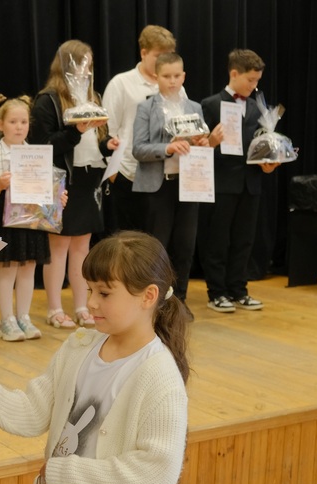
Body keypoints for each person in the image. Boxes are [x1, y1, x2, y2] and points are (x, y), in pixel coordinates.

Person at [0, 231, 188, 484]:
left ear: (148, 296)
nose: (90, 302)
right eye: (89, 289)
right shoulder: (79, 345)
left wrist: (64, 472)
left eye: (104, 293)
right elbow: (34, 411)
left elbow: (156, 471)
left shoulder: (159, 374)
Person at [31, 39, 119, 330]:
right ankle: (54, 308)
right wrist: (75, 131)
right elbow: (43, 145)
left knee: (83, 247)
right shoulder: (48, 100)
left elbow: (96, 142)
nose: (86, 70)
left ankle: (82, 306)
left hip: (90, 178)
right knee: (58, 247)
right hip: (63, 180)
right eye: (81, 64)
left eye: (89, 65)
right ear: (65, 65)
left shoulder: (93, 96)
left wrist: (108, 145)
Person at [131, 52, 223, 319]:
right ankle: (154, 305)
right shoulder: (146, 107)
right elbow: (138, 148)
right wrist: (168, 148)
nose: (172, 81)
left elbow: (199, 144)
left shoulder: (194, 107)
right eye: (166, 76)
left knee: (185, 246)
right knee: (157, 248)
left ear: (184, 76)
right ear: (156, 77)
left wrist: (204, 143)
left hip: (189, 184)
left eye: (176, 76)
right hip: (159, 187)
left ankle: (179, 302)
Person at [199, 49, 279, 313]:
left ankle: (239, 290)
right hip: (221, 183)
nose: (254, 86)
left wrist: (269, 162)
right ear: (234, 73)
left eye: (257, 81)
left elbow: (262, 145)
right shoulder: (210, 104)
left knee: (244, 240)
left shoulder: (258, 107)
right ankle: (216, 292)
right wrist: (211, 142)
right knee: (218, 240)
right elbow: (199, 148)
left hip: (251, 184)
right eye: (250, 80)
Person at [0, 94, 52, 341]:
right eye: (12, 122)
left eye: (23, 122)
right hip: (4, 217)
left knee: (28, 267)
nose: (19, 127)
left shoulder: (37, 154)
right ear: (1, 125)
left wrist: (57, 197)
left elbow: (46, 190)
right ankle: (6, 320)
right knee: (7, 268)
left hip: (30, 217)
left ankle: (23, 317)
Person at [103, 25, 178, 234]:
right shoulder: (121, 83)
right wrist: (113, 173)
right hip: (129, 174)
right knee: (130, 241)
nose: (164, 62)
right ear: (143, 53)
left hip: (165, 177)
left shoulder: (175, 85)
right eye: (158, 56)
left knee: (158, 241)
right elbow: (107, 129)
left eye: (168, 56)